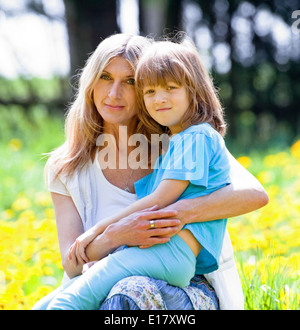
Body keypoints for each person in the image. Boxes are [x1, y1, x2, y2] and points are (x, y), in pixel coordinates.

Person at [32, 33, 268, 310]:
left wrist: (176, 214)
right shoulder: (67, 166)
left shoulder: (185, 139)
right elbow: (72, 264)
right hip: (105, 278)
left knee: (127, 293)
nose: (113, 93)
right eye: (105, 77)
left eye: (130, 81)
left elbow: (254, 195)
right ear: (90, 83)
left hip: (183, 286)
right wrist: (118, 236)